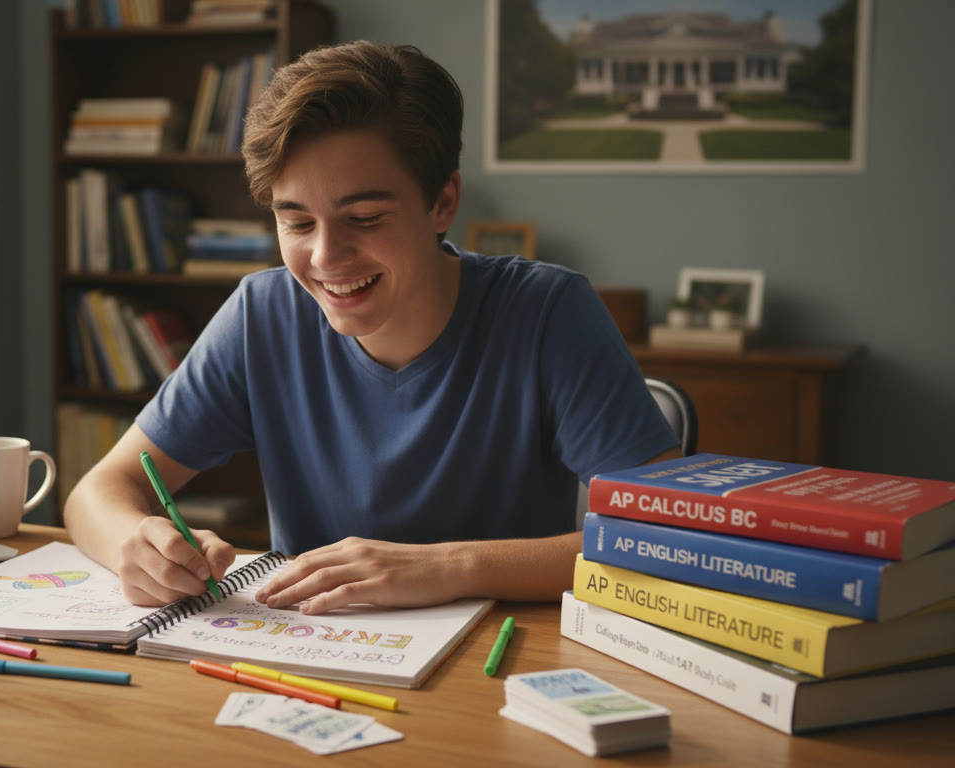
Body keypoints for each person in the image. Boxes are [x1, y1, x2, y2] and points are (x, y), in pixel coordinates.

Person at [63, 41, 679, 616]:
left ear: (442, 202)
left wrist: (448, 566)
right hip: (314, 663)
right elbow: (99, 490)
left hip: (503, 666)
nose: (327, 257)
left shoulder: (548, 312)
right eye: (297, 223)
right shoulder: (262, 314)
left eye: (363, 217)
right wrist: (134, 540)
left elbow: (662, 537)